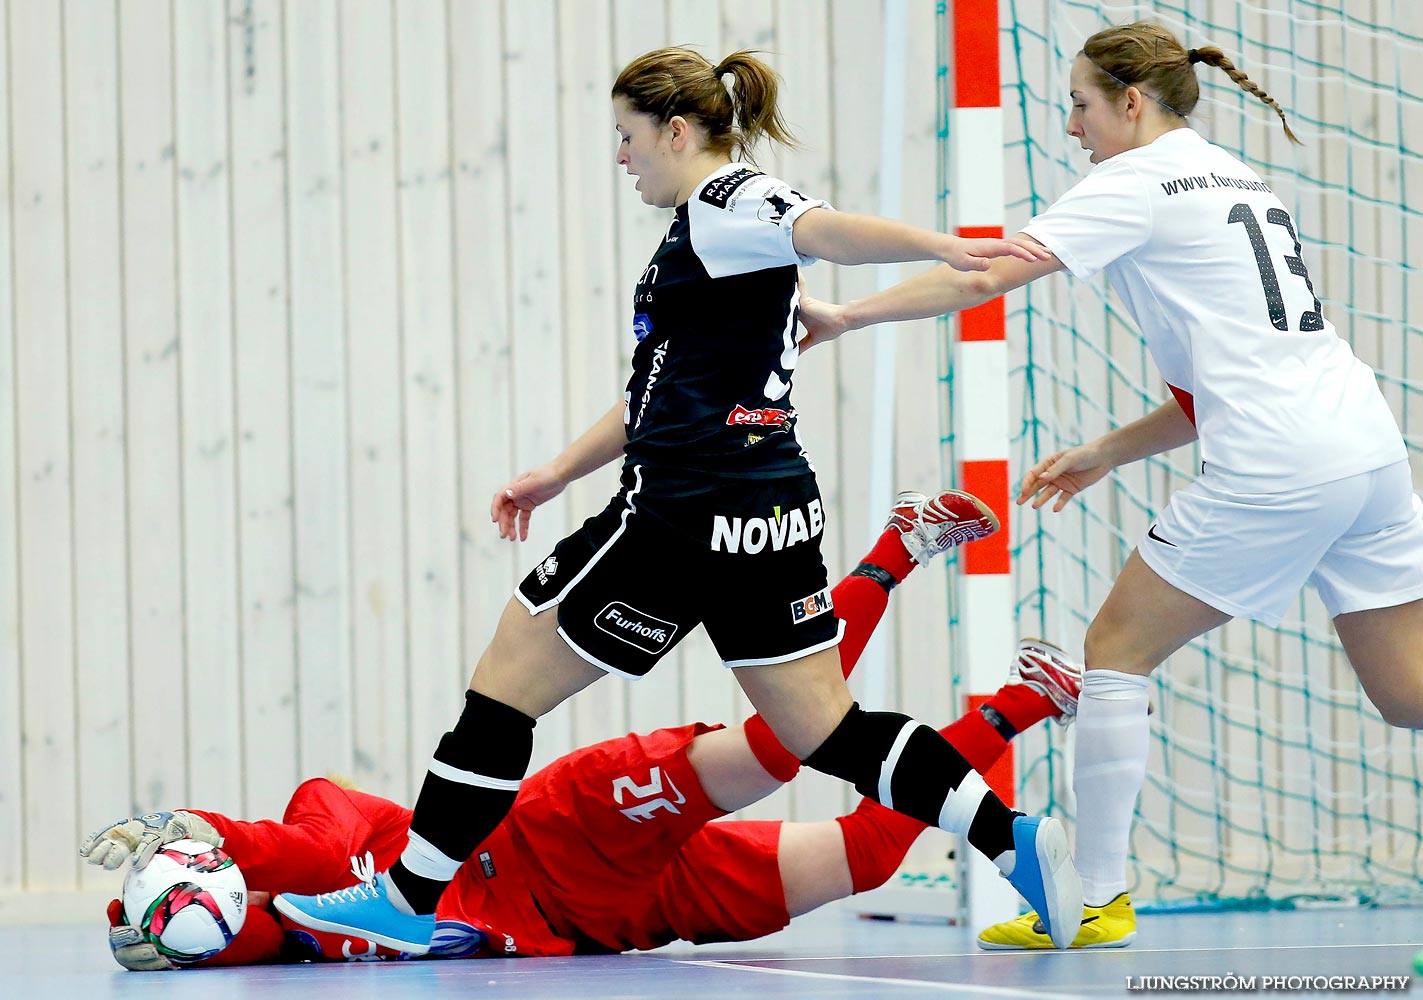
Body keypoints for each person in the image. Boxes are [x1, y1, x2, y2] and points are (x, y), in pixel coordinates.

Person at [267, 47, 1082, 953]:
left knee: (503, 686)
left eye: (628, 136)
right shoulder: (719, 239)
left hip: (682, 510)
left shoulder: (728, 204)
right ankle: (1011, 842)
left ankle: (409, 899)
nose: (622, 156)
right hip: (771, 506)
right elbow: (660, 388)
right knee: (823, 728)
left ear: (677, 131)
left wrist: (939, 242)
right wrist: (557, 472)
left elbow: (826, 228)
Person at [796, 21, 1423, 951]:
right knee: (1407, 692)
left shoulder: (1132, 181)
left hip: (1280, 463)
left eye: (1080, 106)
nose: (1071, 129)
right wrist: (1108, 451)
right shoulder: (1233, 176)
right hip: (1365, 449)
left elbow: (984, 277)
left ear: (1130, 103)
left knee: (1112, 648)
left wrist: (849, 311)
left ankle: (1095, 896)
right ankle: (1095, 893)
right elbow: (1221, 384)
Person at [82, 497, 1084, 970]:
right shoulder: (293, 931)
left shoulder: (337, 842)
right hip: (622, 917)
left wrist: (194, 824)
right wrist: (157, 936)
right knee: (862, 864)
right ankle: (1024, 698)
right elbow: (252, 929)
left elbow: (288, 843)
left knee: (781, 744)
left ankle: (893, 547)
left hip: (565, 838)